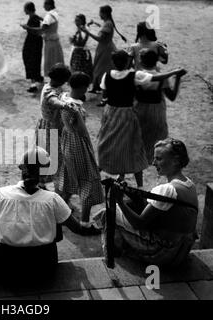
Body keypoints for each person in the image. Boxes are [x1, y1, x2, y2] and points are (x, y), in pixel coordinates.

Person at [0, 147, 83, 282]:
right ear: (46, 174)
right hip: (45, 270)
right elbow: (77, 228)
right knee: (54, 217)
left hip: (3, 269)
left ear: (21, 167)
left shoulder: (0, 194)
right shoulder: (53, 199)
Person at [98, 138, 199, 268]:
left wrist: (119, 201)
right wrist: (128, 191)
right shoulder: (189, 185)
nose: (153, 163)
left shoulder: (167, 189)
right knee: (128, 207)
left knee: (108, 213)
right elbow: (153, 207)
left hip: (162, 253)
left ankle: (113, 257)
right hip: (181, 251)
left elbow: (139, 223)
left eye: (159, 159)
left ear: (175, 161)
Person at [97, 50, 186, 188]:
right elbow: (157, 80)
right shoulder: (136, 75)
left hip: (116, 112)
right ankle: (140, 185)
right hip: (132, 113)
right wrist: (174, 73)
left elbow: (105, 95)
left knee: (112, 143)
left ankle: (103, 173)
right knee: (135, 147)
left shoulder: (109, 75)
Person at [57, 72, 104, 235]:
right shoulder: (76, 108)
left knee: (69, 179)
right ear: (83, 88)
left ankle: (60, 215)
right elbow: (83, 133)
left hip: (67, 141)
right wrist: (91, 153)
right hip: (78, 144)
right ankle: (84, 223)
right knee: (88, 184)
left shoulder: (63, 97)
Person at [134, 49, 186, 163]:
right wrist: (177, 78)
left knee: (138, 137)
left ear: (141, 61)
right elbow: (172, 96)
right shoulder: (162, 77)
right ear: (156, 61)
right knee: (157, 139)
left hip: (139, 109)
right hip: (157, 111)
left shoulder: (137, 74)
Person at [36, 63, 72, 186]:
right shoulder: (49, 91)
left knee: (47, 155)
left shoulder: (49, 86)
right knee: (51, 156)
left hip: (49, 126)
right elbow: (54, 100)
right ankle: (43, 182)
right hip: (50, 128)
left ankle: (43, 181)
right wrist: (65, 105)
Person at [81, 5, 126, 96]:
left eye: (100, 12)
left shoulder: (108, 24)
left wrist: (87, 32)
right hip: (106, 47)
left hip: (105, 49)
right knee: (101, 68)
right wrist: (94, 24)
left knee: (100, 69)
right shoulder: (108, 22)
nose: (99, 14)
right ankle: (97, 87)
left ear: (104, 14)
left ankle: (98, 88)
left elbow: (100, 39)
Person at [21, 0, 64, 77]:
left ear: (49, 5)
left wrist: (27, 27)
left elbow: (41, 29)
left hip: (50, 41)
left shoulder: (48, 16)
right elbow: (46, 22)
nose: (43, 7)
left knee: (49, 61)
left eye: (45, 5)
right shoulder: (54, 13)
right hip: (54, 39)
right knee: (54, 59)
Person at [20, 2, 43, 93]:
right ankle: (38, 77)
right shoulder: (35, 17)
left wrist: (26, 27)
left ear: (28, 9)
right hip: (37, 41)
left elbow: (35, 31)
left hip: (32, 41)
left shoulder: (33, 18)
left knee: (29, 59)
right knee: (36, 59)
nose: (24, 10)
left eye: (25, 9)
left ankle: (33, 83)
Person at [69, 14, 93, 83]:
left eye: (78, 20)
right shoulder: (83, 28)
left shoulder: (83, 30)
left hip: (80, 52)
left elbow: (81, 43)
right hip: (78, 51)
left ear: (82, 21)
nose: (76, 22)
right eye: (75, 20)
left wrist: (73, 40)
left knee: (79, 69)